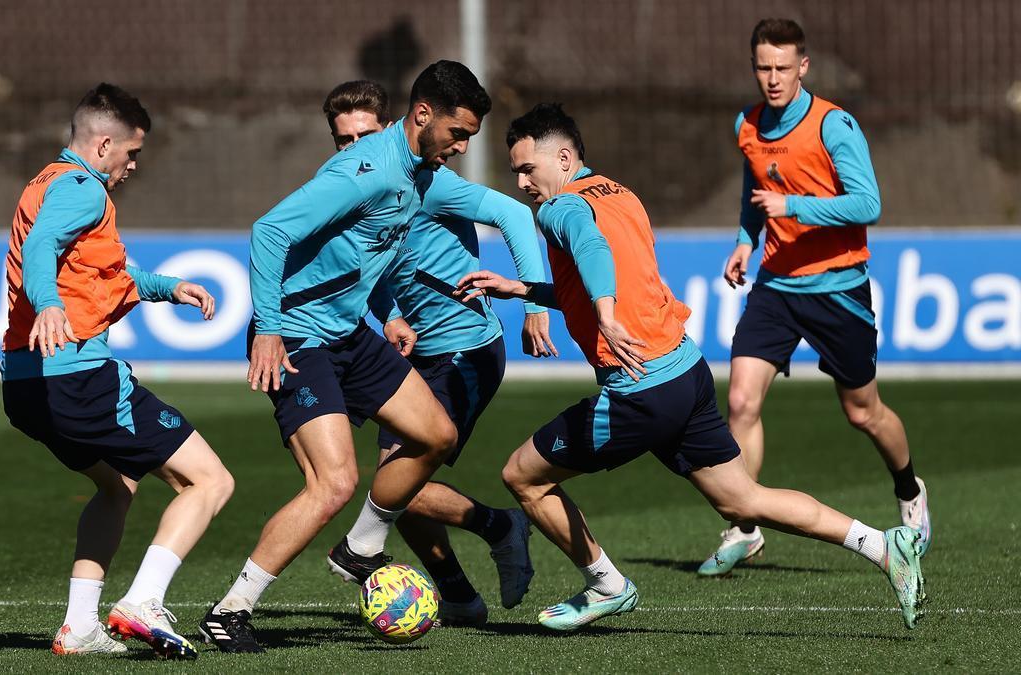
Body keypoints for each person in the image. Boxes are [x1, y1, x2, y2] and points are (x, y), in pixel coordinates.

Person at [455, 102, 926, 632]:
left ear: (563, 159)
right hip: (686, 370)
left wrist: (606, 317)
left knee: (522, 477)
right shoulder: (621, 194)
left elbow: (589, 250)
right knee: (743, 498)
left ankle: (606, 585)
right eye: (516, 171)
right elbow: (609, 277)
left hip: (639, 389)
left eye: (527, 169)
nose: (521, 182)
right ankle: (883, 545)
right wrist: (525, 289)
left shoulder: (558, 210)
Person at [196, 61, 497, 653]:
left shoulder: (418, 172)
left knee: (436, 434)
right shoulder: (365, 170)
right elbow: (269, 233)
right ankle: (230, 611)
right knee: (333, 483)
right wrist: (269, 330)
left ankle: (359, 547)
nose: (462, 147)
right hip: (299, 338)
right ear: (423, 115)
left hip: (350, 334)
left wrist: (387, 313)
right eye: (458, 134)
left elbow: (365, 251)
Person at [1, 83, 233, 659]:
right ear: (103, 144)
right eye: (131, 153)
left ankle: (80, 627)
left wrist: (167, 288)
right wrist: (50, 304)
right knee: (210, 481)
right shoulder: (82, 190)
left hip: (25, 385)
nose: (132, 166)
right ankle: (142, 601)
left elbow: (109, 272)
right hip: (78, 378)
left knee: (116, 486)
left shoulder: (46, 181)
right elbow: (41, 252)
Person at [321, 80, 556, 625]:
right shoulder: (357, 189)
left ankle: (500, 527)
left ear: (391, 129)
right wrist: (388, 314)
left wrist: (535, 302)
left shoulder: (430, 183)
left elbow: (517, 216)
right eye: (342, 139)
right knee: (394, 480)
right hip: (412, 351)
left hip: (463, 350)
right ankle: (459, 596)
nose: (354, 147)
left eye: (365, 134)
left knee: (396, 477)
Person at [702, 18, 931, 576]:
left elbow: (867, 204)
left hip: (838, 288)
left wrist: (795, 207)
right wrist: (743, 241)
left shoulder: (834, 126)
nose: (773, 78)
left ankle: (909, 488)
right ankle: (745, 527)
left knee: (863, 413)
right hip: (776, 287)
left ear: (803, 67)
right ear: (753, 67)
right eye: (763, 67)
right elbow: (751, 194)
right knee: (740, 402)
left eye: (783, 68)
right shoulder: (747, 124)